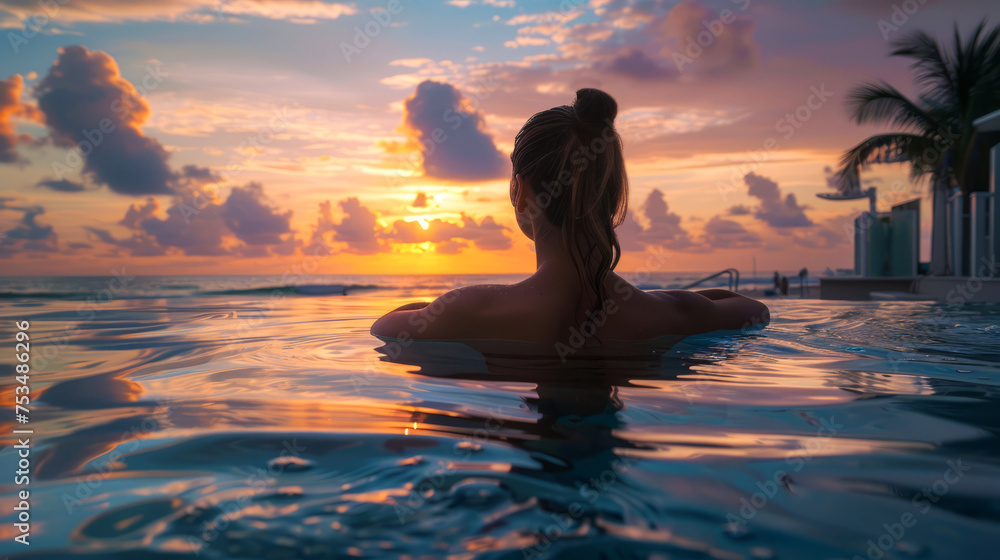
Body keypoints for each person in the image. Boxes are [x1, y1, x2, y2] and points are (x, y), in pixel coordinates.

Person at [371, 88, 769, 345]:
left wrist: (439, 304)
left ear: (521, 190)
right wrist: (684, 299)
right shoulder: (673, 314)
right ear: (612, 195)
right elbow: (754, 310)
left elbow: (383, 327)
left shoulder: (469, 312)